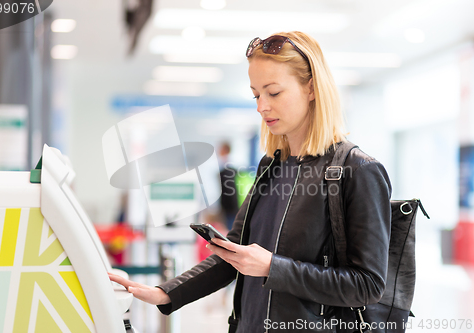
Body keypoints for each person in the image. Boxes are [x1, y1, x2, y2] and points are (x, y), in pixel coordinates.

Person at [109, 31, 391, 333]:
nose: (261, 107)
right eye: (257, 94)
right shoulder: (271, 165)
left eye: (274, 93)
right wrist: (164, 293)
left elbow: (368, 285)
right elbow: (233, 253)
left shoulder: (357, 170)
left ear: (311, 88)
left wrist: (273, 267)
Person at [217, 142, 239, 231]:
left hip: (230, 206)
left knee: (230, 229)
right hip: (229, 205)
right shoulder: (225, 166)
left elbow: (230, 189)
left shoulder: (228, 167)